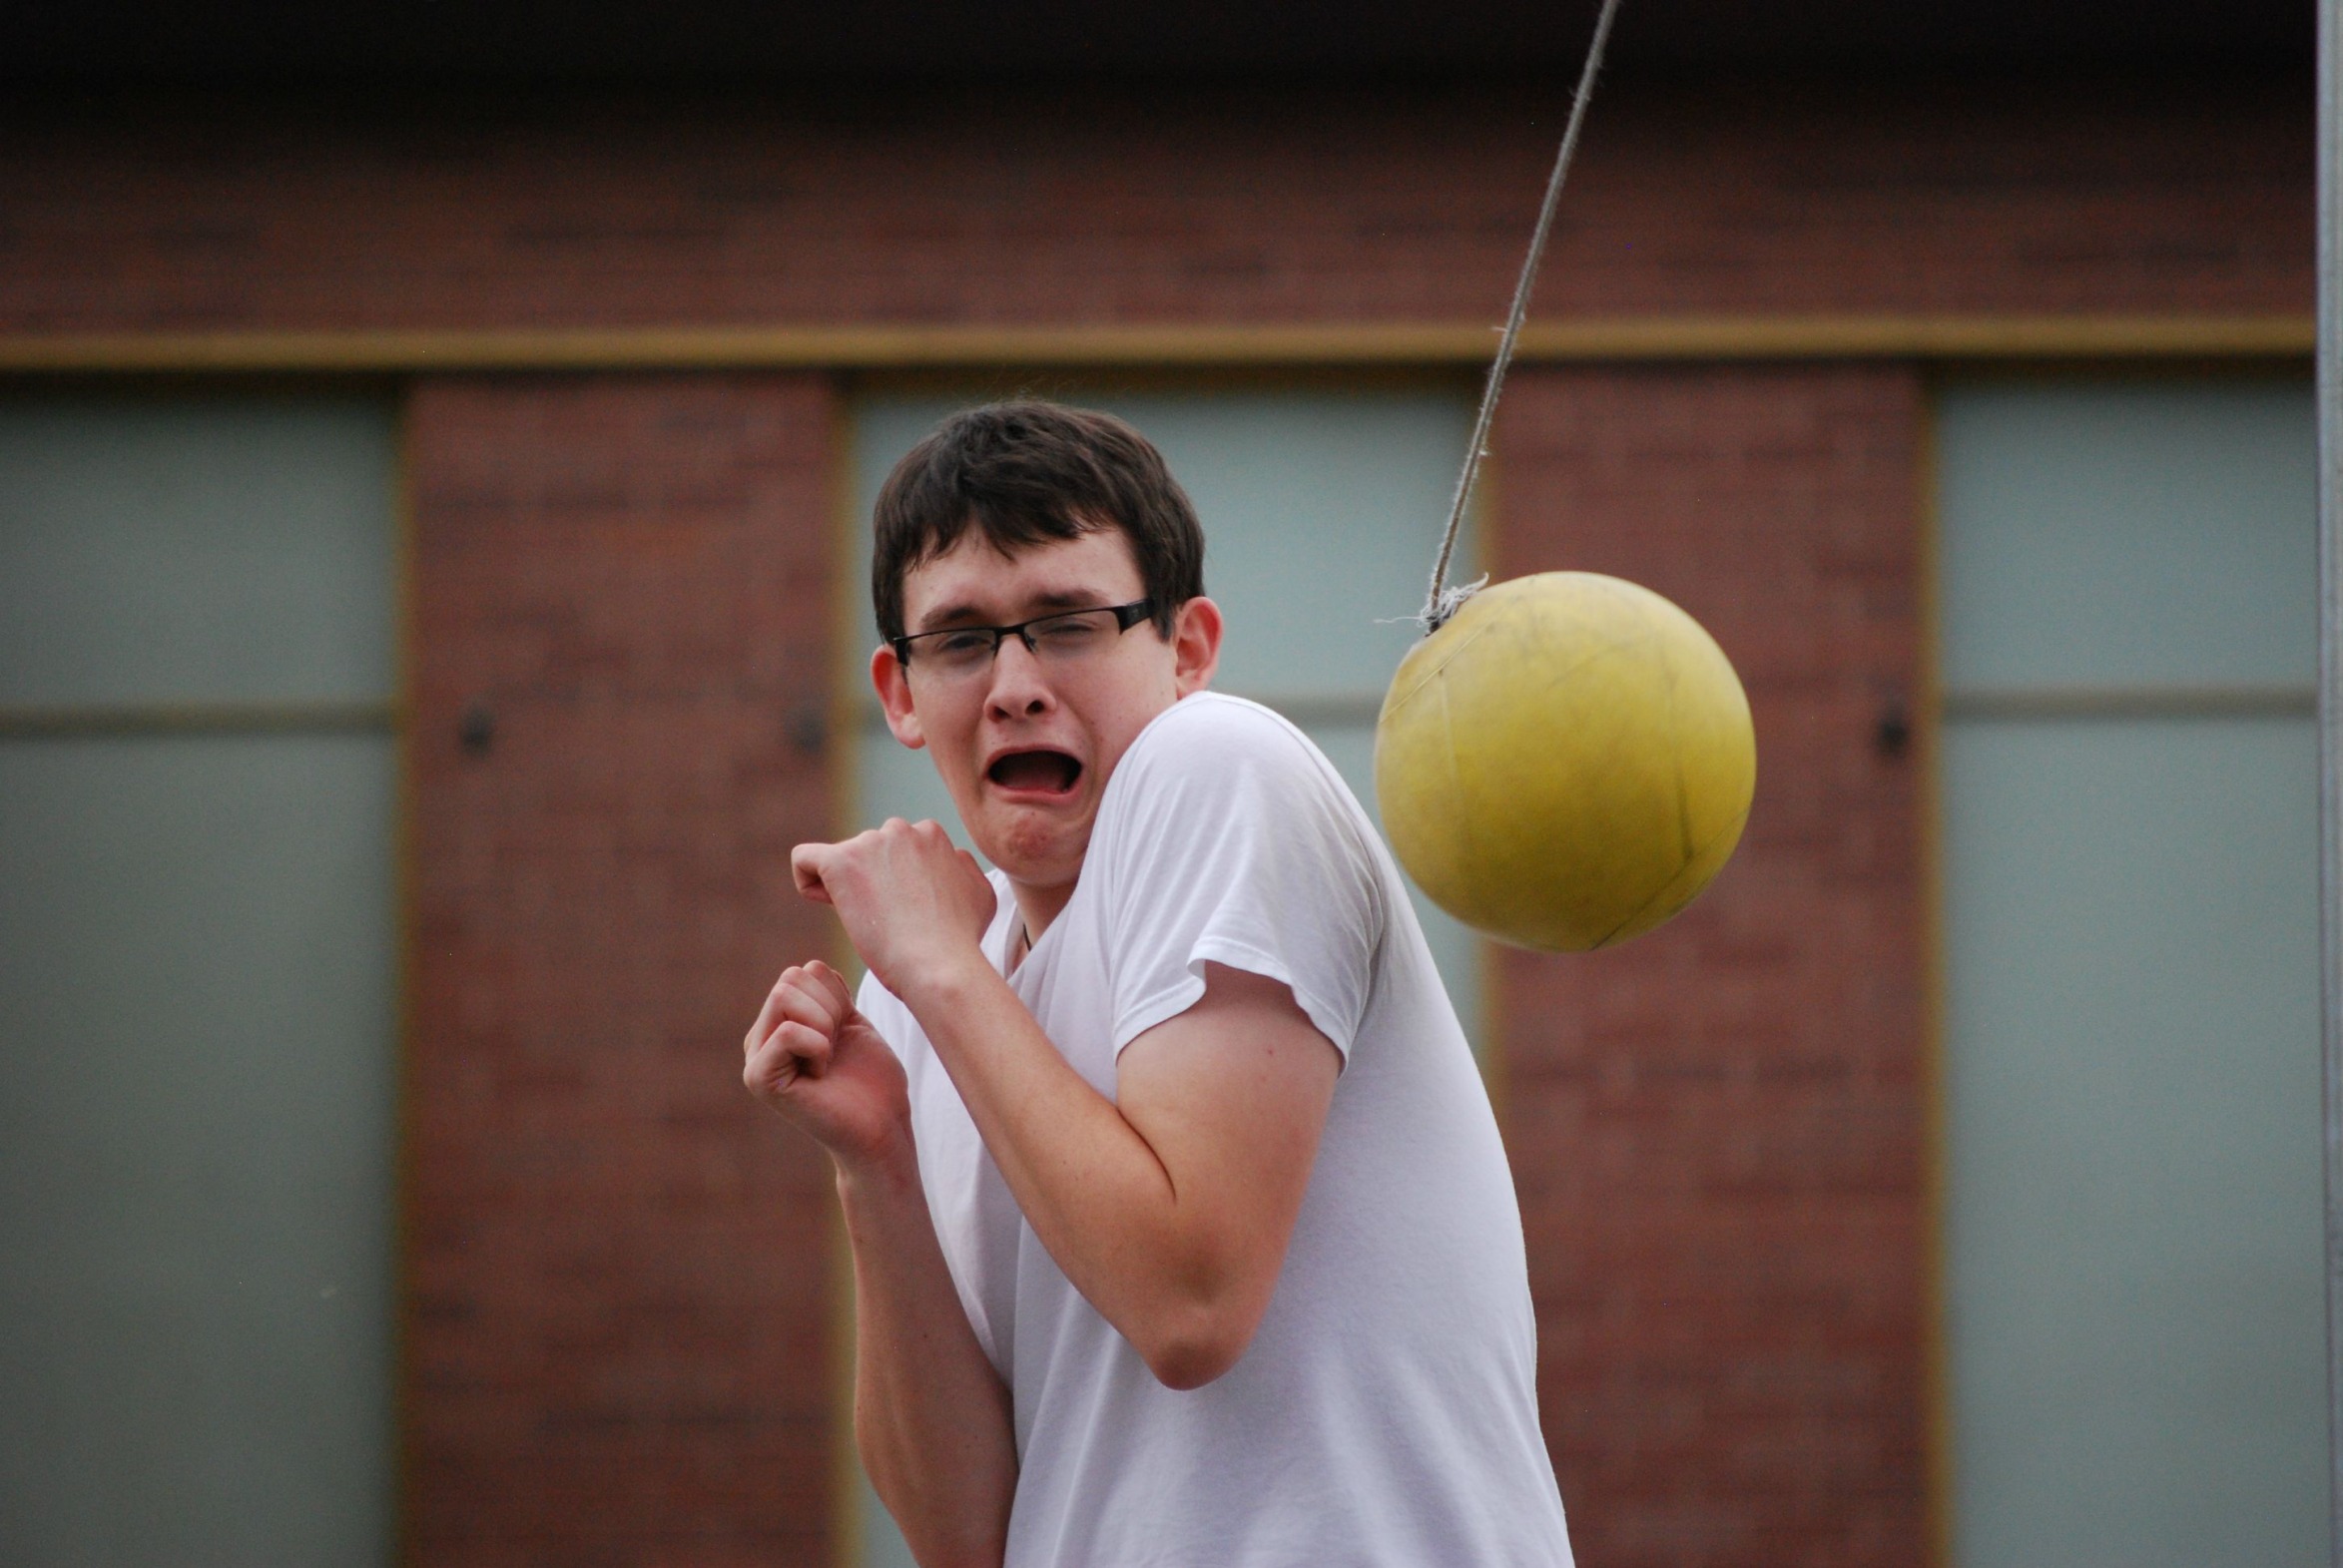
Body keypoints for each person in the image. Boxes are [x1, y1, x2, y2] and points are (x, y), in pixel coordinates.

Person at [743, 401, 1572, 1568]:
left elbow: (1191, 1306)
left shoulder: (1216, 763)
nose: (1015, 683)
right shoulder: (930, 995)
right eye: (963, 639)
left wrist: (937, 975)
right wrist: (871, 1153)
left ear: (1186, 649)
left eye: (1068, 622)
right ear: (899, 690)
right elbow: (963, 1534)